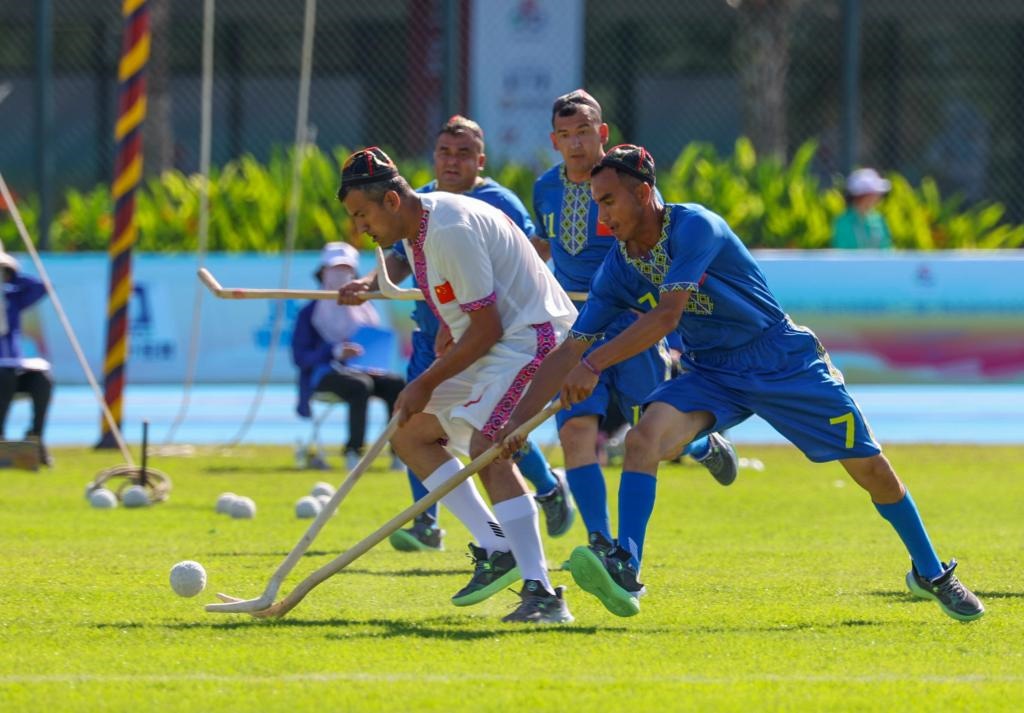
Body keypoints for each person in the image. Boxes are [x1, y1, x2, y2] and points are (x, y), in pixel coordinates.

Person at [499, 144, 984, 623]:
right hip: (711, 371)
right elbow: (570, 349)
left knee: (871, 470)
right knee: (644, 438)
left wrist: (595, 364)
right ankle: (627, 567)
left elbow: (667, 316)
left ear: (643, 192)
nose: (602, 219)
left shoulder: (695, 227)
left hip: (781, 360)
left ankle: (931, 571)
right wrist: (516, 422)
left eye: (608, 202)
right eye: (597, 204)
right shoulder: (619, 267)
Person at [337, 146, 576, 624]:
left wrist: (425, 382)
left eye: (362, 214)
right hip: (499, 340)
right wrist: (451, 328)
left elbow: (487, 328)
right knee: (410, 433)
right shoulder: (416, 232)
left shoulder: (448, 228)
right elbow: (469, 310)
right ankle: (496, 547)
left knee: (491, 444)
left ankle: (544, 594)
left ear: (391, 201)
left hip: (532, 336)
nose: (360, 228)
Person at [531, 90, 738, 561]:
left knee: (651, 431)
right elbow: (543, 246)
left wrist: (666, 324)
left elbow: (661, 247)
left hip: (632, 325)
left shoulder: (631, 183)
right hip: (577, 328)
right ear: (554, 141)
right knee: (575, 431)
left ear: (602, 133)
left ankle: (701, 445)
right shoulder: (544, 188)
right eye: (565, 135)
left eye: (584, 131)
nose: (576, 143)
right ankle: (601, 542)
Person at [291, 242, 405, 469]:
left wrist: (372, 359)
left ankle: (399, 452)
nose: (341, 274)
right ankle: (354, 451)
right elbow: (300, 357)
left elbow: (373, 341)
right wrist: (334, 352)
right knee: (359, 386)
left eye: (346, 269)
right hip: (324, 374)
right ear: (323, 271)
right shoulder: (309, 312)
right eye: (335, 268)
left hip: (365, 371)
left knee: (396, 384)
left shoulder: (366, 307)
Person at [0, 250, 53, 466]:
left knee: (42, 380)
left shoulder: (11, 298)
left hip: (11, 370)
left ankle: (34, 438)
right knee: (5, 377)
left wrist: (12, 273)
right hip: (4, 376)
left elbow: (40, 288)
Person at [832, 168, 893, 249]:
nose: (878, 196)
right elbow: (842, 250)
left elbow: (886, 249)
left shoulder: (879, 220)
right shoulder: (843, 222)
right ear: (863, 196)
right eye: (874, 193)